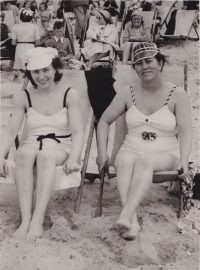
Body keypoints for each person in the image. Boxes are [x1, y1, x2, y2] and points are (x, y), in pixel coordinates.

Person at [96, 42, 192, 240]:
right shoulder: (127, 92)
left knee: (145, 159)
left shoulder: (177, 94)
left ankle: (126, 213)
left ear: (160, 63)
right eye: (138, 63)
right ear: (135, 68)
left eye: (149, 61)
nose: (144, 66)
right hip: (131, 149)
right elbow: (104, 121)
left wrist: (184, 160)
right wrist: (102, 152)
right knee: (122, 160)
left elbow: (185, 132)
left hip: (166, 155)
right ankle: (132, 222)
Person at [0, 47, 84, 239]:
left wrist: (73, 158)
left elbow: (78, 131)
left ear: (55, 69)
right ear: (30, 73)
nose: (41, 76)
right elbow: (11, 130)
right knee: (22, 153)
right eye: (36, 71)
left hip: (59, 147)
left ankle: (37, 220)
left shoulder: (68, 94)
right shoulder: (24, 96)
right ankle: (26, 219)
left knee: (45, 155)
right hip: (31, 145)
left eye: (46, 70)